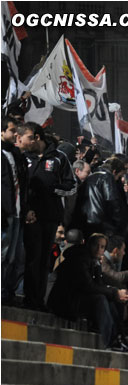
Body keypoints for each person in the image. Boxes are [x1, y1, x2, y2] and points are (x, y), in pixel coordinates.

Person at [21, 122, 76, 311]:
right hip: (28, 215)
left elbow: (72, 186)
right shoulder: (23, 157)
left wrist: (52, 189)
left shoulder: (59, 158)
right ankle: (26, 296)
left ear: (37, 137)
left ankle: (37, 300)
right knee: (30, 257)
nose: (23, 141)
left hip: (50, 217)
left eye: (26, 137)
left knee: (44, 260)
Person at [47, 233, 128, 350]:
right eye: (96, 245)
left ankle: (120, 339)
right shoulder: (81, 258)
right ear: (89, 245)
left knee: (110, 299)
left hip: (76, 299)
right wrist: (115, 292)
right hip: (65, 301)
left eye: (102, 247)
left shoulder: (94, 261)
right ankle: (112, 341)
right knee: (101, 298)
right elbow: (88, 286)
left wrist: (116, 294)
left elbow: (99, 285)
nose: (99, 249)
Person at [1, 115, 28, 304]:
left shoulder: (15, 155)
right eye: (11, 130)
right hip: (5, 213)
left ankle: (6, 291)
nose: (15, 134)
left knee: (12, 257)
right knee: (2, 254)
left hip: (17, 213)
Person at [73, 157, 127, 237]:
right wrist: (120, 225)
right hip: (103, 225)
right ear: (114, 171)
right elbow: (113, 201)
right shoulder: (108, 177)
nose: (118, 180)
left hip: (85, 223)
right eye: (118, 176)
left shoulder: (88, 178)